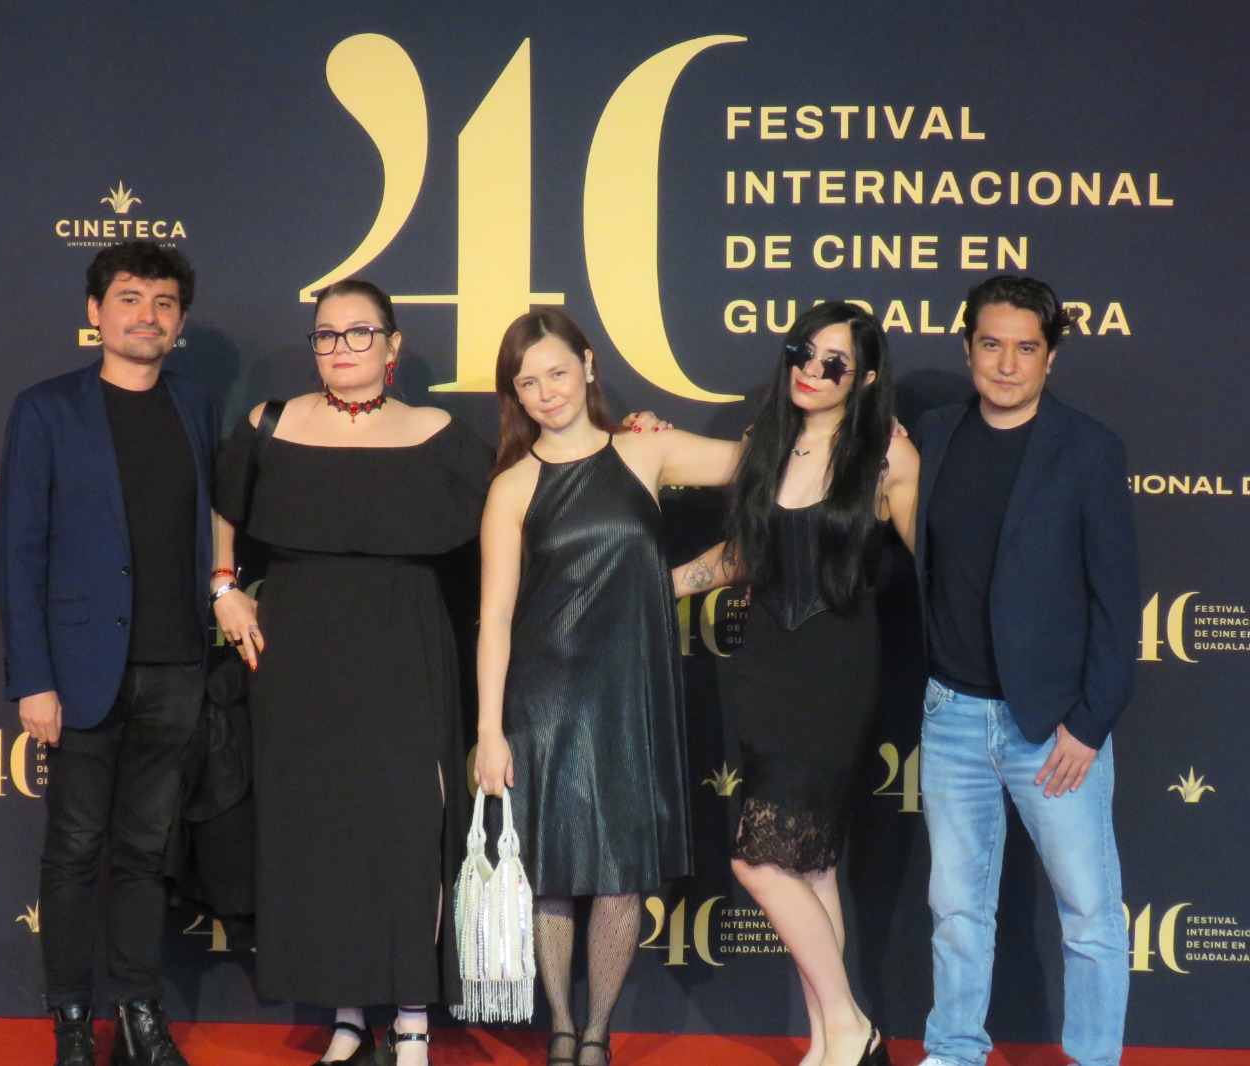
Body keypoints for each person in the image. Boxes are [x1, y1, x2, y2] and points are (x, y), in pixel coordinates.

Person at [210, 278, 490, 1066]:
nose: (341, 347)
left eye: (359, 332)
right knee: (319, 832)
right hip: (300, 648)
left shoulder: (436, 433)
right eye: (327, 334)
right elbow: (225, 505)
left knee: (406, 827)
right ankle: (345, 1015)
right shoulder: (270, 424)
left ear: (393, 345)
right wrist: (224, 585)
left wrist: (623, 438)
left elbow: (518, 504)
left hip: (405, 641)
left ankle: (411, 1018)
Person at [473, 309, 740, 1066]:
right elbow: (495, 617)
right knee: (552, 879)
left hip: (629, 698)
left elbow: (767, 465)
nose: (546, 392)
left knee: (621, 880)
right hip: (543, 702)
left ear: (588, 366)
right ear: (515, 396)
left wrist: (863, 433)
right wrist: (489, 731)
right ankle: (562, 1030)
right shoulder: (513, 486)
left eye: (558, 372)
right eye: (528, 382)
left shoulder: (646, 450)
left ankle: (598, 1035)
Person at [675, 303, 918, 1066]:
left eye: (833, 363)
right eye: (802, 354)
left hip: (834, 675)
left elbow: (936, 562)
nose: (812, 371)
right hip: (762, 669)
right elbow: (747, 555)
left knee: (760, 861)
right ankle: (828, 1045)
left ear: (865, 377)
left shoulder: (887, 456)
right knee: (811, 867)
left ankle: (851, 1025)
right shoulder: (766, 445)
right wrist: (661, 584)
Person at [911, 275, 1140, 1066]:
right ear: (967, 347)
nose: (1007, 364)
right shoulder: (933, 435)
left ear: (1051, 356)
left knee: (1089, 910)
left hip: (1052, 727)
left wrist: (1089, 724)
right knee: (956, 909)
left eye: (1026, 348)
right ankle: (954, 1050)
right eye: (991, 345)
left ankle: (1094, 1058)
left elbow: (1117, 601)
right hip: (950, 715)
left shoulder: (1088, 450)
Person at [0, 240, 215, 1066]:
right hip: (81, 675)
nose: (146, 316)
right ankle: (70, 1023)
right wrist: (34, 678)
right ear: (95, 312)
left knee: (144, 856)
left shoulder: (194, 405)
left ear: (180, 321)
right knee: (74, 851)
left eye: (163, 303)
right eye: (129, 299)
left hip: (176, 669)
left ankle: (139, 1015)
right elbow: (20, 551)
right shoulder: (46, 410)